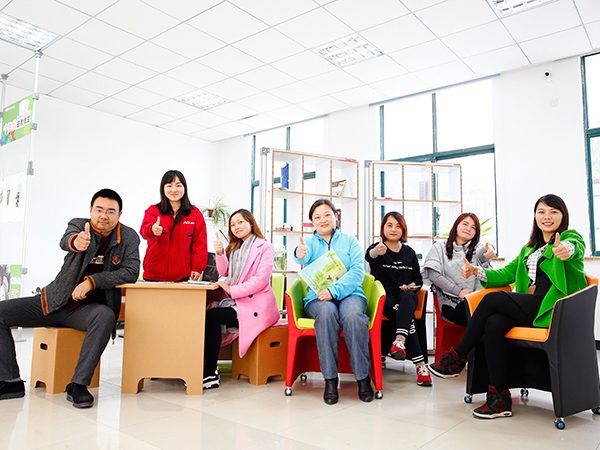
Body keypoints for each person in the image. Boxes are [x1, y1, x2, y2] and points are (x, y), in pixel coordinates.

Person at [428, 194, 586, 419]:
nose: (547, 216)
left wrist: (565, 250)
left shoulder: (569, 237)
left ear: (563, 216)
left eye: (553, 212)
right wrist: (475, 271)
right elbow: (505, 273)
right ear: (535, 216)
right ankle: (499, 398)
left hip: (552, 308)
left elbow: (575, 247)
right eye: (541, 211)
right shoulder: (529, 249)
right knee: (493, 324)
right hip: (530, 307)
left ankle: (458, 357)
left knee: (492, 299)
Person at [0, 189, 140, 407]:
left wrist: (93, 281)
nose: (104, 216)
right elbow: (67, 240)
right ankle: (10, 381)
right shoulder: (79, 225)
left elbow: (131, 271)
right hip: (53, 301)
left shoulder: (129, 237)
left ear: (119, 214)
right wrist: (77, 241)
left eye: (110, 211)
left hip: (88, 311)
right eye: (99, 210)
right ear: (91, 210)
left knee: (105, 316)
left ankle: (78, 385)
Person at [294, 198, 373, 405]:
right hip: (318, 298)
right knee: (327, 313)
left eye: (327, 214)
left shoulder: (350, 241)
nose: (323, 220)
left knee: (353, 315)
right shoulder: (310, 243)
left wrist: (334, 291)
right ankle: (330, 380)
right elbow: (302, 257)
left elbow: (358, 271)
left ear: (336, 216)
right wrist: (299, 254)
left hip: (350, 294)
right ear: (312, 222)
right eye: (317, 217)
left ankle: (363, 377)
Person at [203, 209, 280, 390]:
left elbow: (260, 281)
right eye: (232, 224)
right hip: (238, 303)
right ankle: (207, 368)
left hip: (256, 306)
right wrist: (220, 253)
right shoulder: (235, 248)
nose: (236, 227)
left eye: (240, 222)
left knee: (213, 316)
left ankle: (211, 371)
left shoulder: (265, 247)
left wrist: (232, 289)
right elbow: (224, 272)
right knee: (208, 313)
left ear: (250, 223)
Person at [365, 211, 431, 387]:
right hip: (384, 297)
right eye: (389, 225)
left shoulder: (409, 253)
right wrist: (376, 252)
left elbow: (418, 280)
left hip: (405, 297)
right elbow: (369, 256)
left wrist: (412, 286)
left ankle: (400, 340)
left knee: (409, 297)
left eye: (398, 226)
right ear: (383, 228)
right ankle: (420, 365)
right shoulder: (379, 248)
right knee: (409, 319)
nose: (394, 229)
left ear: (403, 230)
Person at [422, 213, 495, 327]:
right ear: (456, 225)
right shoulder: (439, 247)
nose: (468, 229)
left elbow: (484, 252)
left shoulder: (476, 249)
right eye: (465, 224)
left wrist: (490, 250)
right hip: (451, 304)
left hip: (477, 301)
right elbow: (433, 275)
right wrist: (458, 291)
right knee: (479, 318)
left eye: (473, 227)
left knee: (494, 319)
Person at [140, 170, 207, 282]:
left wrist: (197, 267)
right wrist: (152, 229)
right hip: (154, 274)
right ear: (163, 188)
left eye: (178, 185)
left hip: (181, 276)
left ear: (184, 188)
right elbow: (144, 232)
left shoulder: (195, 214)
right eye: (169, 186)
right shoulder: (153, 210)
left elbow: (200, 243)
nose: (174, 190)